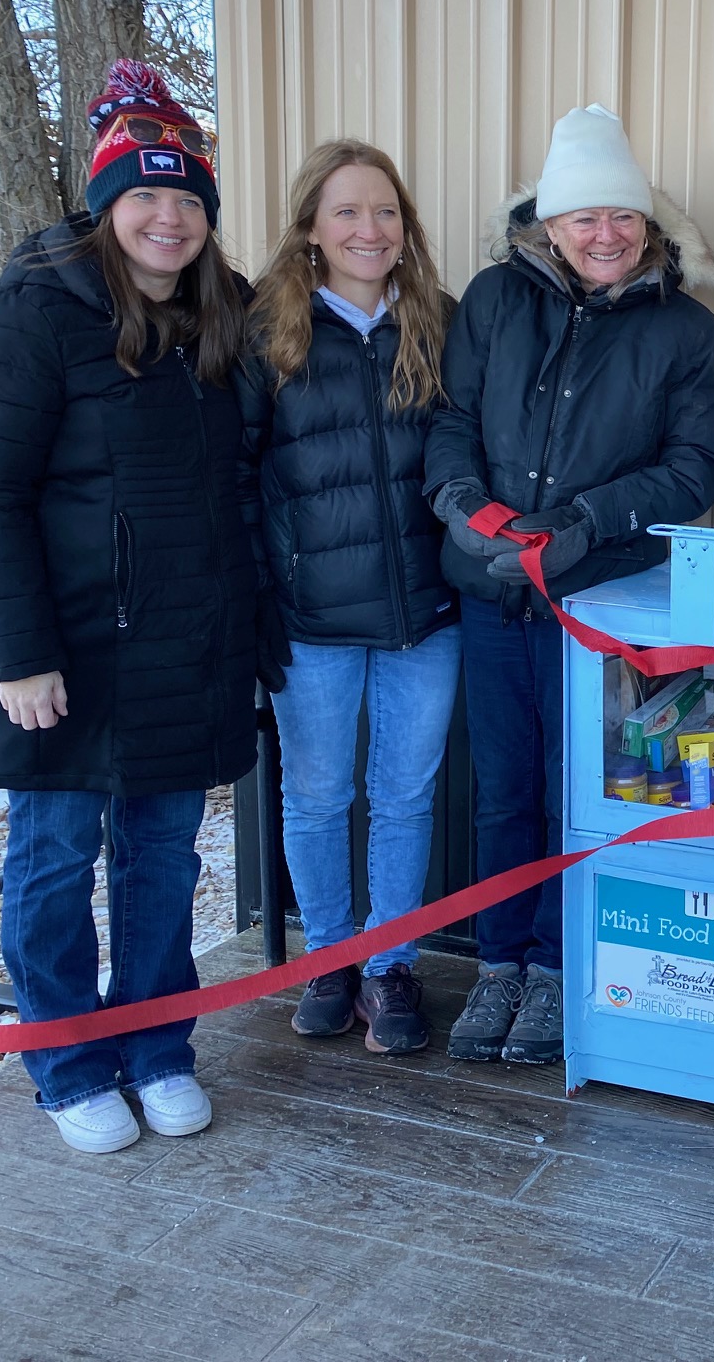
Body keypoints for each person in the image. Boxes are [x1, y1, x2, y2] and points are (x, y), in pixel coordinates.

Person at [0, 60, 275, 1154]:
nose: (169, 217)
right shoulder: (29, 315)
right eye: (146, 195)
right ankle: (68, 1063)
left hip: (187, 650)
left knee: (163, 860)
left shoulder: (215, 326)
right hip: (70, 654)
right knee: (53, 863)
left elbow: (229, 496)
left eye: (188, 199)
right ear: (104, 206)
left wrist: (247, 635)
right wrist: (22, 652)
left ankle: (154, 1045)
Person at [424, 105, 714, 1064]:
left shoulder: (687, 332)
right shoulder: (491, 301)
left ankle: (559, 971)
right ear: (547, 226)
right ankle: (499, 965)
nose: (605, 235)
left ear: (647, 224)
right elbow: (449, 417)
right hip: (491, 591)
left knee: (578, 790)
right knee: (503, 789)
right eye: (583, 218)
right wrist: (463, 504)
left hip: (598, 602)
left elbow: (701, 462)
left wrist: (588, 523)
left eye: (623, 217)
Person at [240, 140, 459, 1055]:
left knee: (405, 798)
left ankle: (389, 964)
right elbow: (236, 476)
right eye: (346, 212)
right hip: (313, 621)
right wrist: (260, 592)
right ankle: (329, 956)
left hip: (424, 614)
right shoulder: (268, 332)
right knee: (319, 797)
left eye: (384, 212)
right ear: (312, 231)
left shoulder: (440, 324)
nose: (369, 229)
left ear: (405, 230)